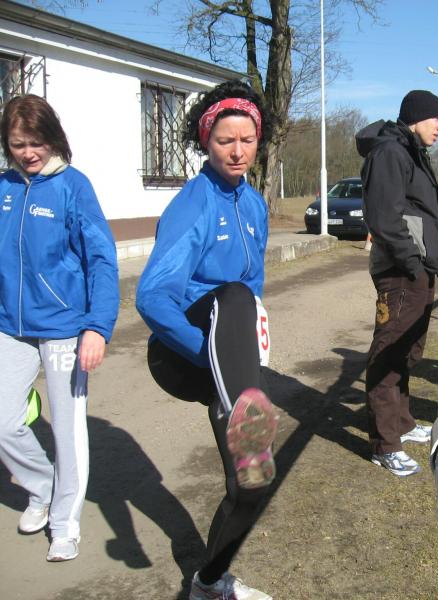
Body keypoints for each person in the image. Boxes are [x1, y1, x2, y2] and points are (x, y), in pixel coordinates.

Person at [136, 80, 278, 600]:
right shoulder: (192, 206)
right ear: (205, 141)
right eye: (225, 141)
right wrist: (210, 353)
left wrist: (246, 348)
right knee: (233, 294)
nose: (238, 151)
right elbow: (152, 297)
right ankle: (244, 407)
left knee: (253, 483)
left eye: (247, 140)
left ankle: (210, 582)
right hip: (180, 353)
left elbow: (254, 294)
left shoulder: (255, 205)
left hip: (228, 353)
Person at [0, 94, 119, 561]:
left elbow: (102, 260)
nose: (28, 153)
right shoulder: (5, 187)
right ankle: (42, 486)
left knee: (67, 432)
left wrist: (97, 327)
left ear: (53, 138)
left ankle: (64, 523)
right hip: (10, 325)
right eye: (17, 145)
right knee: (3, 421)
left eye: (36, 142)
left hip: (65, 327)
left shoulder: (74, 186)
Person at [354, 90, 438, 477]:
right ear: (417, 117)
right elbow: (384, 217)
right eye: (437, 118)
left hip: (417, 269)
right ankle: (385, 444)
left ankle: (402, 423)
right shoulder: (391, 152)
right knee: (389, 351)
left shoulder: (411, 151)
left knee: (408, 350)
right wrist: (411, 262)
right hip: (401, 271)